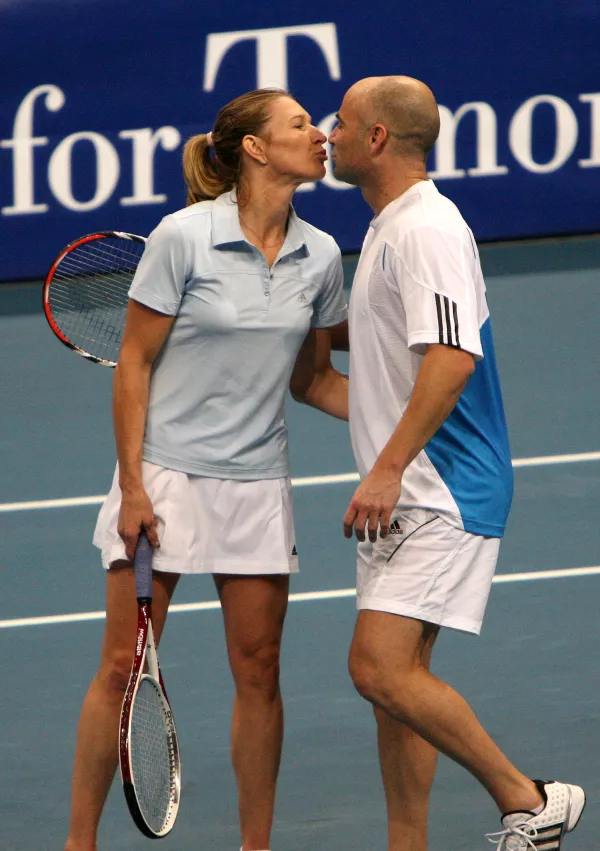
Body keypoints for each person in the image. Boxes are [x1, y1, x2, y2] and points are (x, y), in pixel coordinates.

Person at [64, 88, 349, 851]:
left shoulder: (320, 255)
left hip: (257, 485)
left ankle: (256, 845)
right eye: (299, 126)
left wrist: (406, 425)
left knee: (260, 672)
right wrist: (133, 484)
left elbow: (313, 379)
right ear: (255, 148)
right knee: (122, 664)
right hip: (166, 477)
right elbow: (135, 362)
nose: (320, 136)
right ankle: (78, 843)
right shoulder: (182, 237)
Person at [328, 76, 585, 851]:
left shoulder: (426, 229)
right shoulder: (387, 228)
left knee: (377, 668)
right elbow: (375, 368)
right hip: (407, 489)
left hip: (443, 486)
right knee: (397, 689)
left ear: (377, 139)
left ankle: (532, 800)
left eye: (341, 123)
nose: (328, 135)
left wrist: (387, 466)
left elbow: (450, 359)